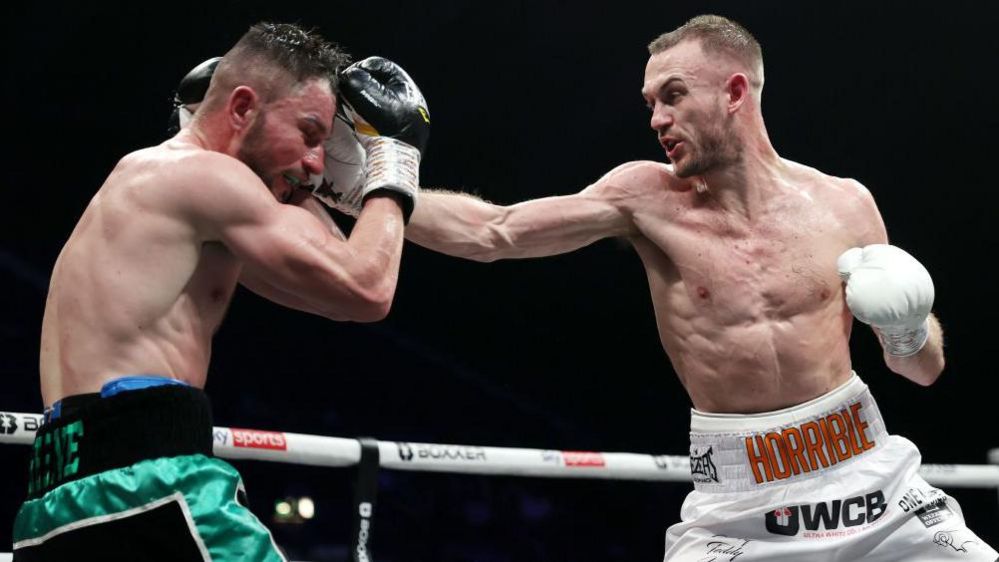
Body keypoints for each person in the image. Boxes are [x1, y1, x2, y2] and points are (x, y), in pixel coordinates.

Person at [396, 14, 994, 561]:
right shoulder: (643, 198)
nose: (657, 119)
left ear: (735, 92)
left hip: (872, 481)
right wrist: (364, 187)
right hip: (739, 508)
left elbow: (921, 371)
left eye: (674, 96)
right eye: (651, 102)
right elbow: (492, 232)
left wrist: (909, 327)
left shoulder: (844, 204)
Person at [13, 22, 429, 561]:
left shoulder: (147, 184)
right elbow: (368, 288)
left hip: (55, 501)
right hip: (151, 488)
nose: (315, 162)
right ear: (240, 108)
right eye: (308, 132)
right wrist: (395, 160)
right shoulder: (207, 177)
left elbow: (333, 295)